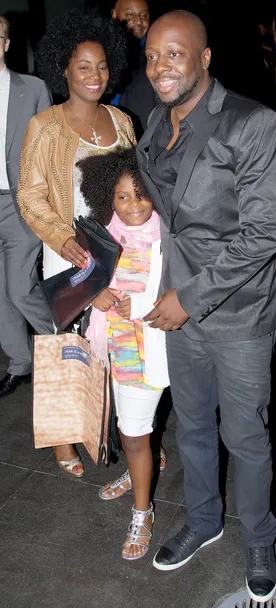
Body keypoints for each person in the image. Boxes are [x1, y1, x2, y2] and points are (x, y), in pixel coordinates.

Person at [137, 10, 276, 603]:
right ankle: (203, 522)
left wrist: (188, 298)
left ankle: (259, 537)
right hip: (178, 307)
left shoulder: (253, 124)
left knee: (246, 436)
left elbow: (263, 234)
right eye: (151, 55)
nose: (159, 66)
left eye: (174, 54)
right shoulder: (157, 121)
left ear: (204, 58)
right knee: (194, 425)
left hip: (239, 311)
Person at [17, 9, 135, 479]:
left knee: (115, 343)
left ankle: (125, 432)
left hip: (117, 250)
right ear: (62, 69)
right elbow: (29, 194)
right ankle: (64, 437)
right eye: (83, 66)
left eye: (102, 65)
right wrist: (62, 238)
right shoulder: (44, 126)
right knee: (68, 344)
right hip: (68, 252)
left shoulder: (123, 120)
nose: (94, 75)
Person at [78, 148, 169, 560]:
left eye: (142, 193)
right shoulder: (102, 235)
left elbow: (182, 286)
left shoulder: (169, 235)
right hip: (110, 348)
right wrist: (94, 294)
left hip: (149, 350)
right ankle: (140, 472)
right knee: (128, 428)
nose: (134, 205)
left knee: (133, 434)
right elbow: (82, 282)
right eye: (123, 196)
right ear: (108, 199)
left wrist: (143, 299)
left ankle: (143, 512)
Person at [0, 16, 53, 399]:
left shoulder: (32, 88)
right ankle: (20, 363)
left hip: (18, 203)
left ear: (5, 44)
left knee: (21, 291)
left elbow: (48, 150)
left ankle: (71, 341)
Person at [111, 0, 157, 137]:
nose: (138, 21)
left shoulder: (156, 55)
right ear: (114, 14)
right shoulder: (100, 50)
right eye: (130, 15)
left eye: (144, 15)